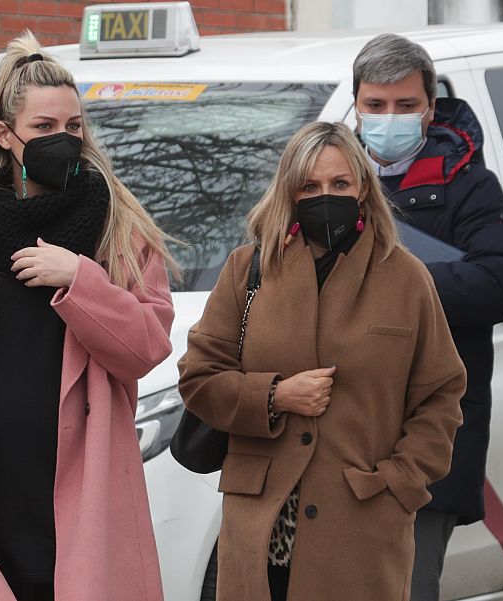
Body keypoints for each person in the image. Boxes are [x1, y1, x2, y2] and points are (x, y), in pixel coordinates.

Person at [0, 31, 176, 601]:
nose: (63, 141)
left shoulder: (118, 232)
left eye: (73, 127)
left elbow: (147, 348)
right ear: (5, 136)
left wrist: (80, 280)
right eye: (44, 129)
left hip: (84, 501)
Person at [177, 121, 466, 601]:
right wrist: (273, 396)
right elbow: (200, 378)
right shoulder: (247, 268)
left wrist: (401, 482)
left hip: (360, 526)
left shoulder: (406, 278)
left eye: (339, 184)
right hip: (260, 527)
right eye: (309, 186)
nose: (324, 196)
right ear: (288, 192)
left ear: (363, 188)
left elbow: (441, 394)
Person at [352, 34, 503, 601]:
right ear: (355, 103)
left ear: (430, 106)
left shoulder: (469, 183)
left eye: (405, 105)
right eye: (375, 105)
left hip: (428, 429)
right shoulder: (322, 178)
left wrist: (380, 283)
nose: (389, 118)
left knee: (407, 585)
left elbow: (497, 285)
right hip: (335, 426)